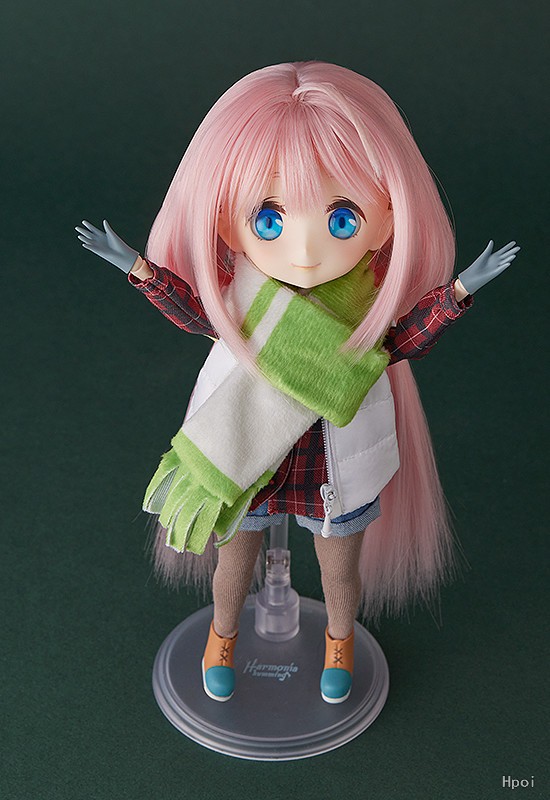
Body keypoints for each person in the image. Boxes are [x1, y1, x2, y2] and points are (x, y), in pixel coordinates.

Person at [76, 61, 519, 705]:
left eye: (342, 219)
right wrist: (141, 269)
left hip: (333, 463)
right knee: (232, 568)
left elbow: (398, 344)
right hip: (246, 458)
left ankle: (340, 641)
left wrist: (454, 294)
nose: (305, 251)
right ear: (227, 222)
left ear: (387, 219)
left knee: (340, 575)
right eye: (270, 220)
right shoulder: (244, 301)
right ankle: (222, 637)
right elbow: (199, 315)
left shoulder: (363, 309)